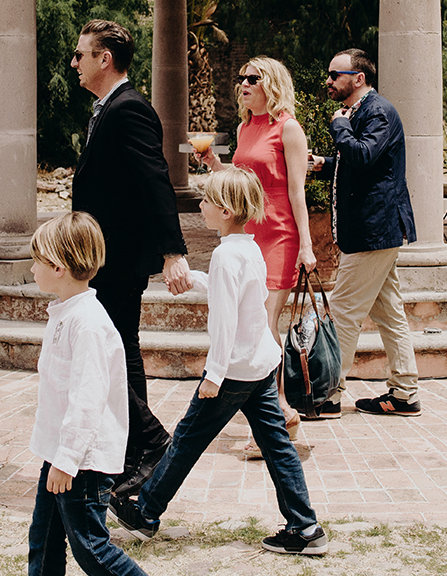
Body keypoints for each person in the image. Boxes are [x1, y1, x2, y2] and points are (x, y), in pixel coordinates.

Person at [0, 212, 210, 576]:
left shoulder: (87, 323)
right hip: (60, 456)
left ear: (60, 267)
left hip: (80, 460)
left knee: (93, 549)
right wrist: (55, 457)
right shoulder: (68, 312)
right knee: (44, 545)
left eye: (36, 261)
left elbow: (86, 401)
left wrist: (67, 461)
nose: (31, 268)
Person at [110, 168, 327, 556]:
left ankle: (145, 513)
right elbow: (243, 299)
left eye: (207, 200)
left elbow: (226, 322)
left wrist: (214, 375)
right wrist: (195, 278)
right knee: (277, 446)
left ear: (226, 210)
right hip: (259, 365)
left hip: (233, 372)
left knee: (186, 442)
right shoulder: (248, 247)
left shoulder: (226, 255)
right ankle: (305, 527)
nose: (202, 206)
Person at [69, 19, 189, 500]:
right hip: (103, 256)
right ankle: (130, 448)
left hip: (117, 258)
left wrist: (173, 251)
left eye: (81, 55)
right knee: (118, 349)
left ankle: (148, 443)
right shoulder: (106, 109)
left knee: (116, 349)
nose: (74, 63)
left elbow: (154, 180)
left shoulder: (129, 108)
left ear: (104, 59)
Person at [190, 56, 315, 450]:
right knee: (256, 323)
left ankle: (275, 414)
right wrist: (215, 165)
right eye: (241, 77)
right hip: (247, 234)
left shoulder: (289, 129)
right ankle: (281, 414)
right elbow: (243, 185)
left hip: (279, 235)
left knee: (265, 323)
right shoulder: (245, 128)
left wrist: (307, 246)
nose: (242, 83)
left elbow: (298, 191)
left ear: (271, 84)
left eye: (252, 78)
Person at [306, 49, 420, 418]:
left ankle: (328, 395)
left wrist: (338, 127)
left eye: (334, 74)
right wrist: (323, 163)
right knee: (390, 314)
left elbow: (364, 154)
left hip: (374, 230)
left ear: (358, 78)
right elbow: (357, 163)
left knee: (342, 313)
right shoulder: (362, 113)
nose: (328, 80)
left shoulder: (378, 111)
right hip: (373, 230)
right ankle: (404, 394)